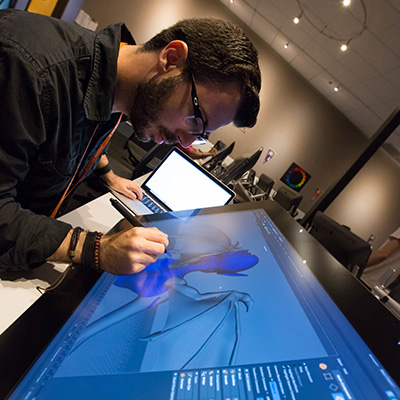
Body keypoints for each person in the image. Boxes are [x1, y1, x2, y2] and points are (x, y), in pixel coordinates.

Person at [0, 10, 261, 275]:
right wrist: (95, 248)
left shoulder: (117, 95)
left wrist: (108, 175)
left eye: (201, 134)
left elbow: (69, 138)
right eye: (196, 120)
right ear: (171, 59)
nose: (185, 143)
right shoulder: (28, 70)